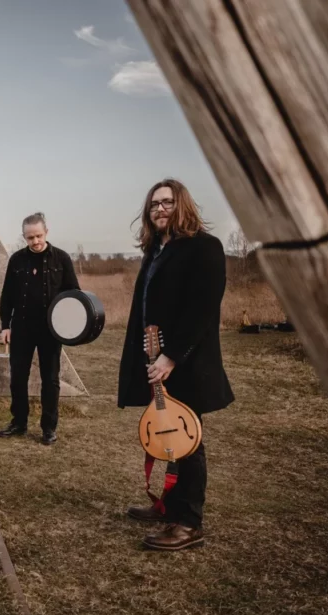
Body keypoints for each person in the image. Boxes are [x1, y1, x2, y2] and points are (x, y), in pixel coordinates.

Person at [117, 179, 234, 551]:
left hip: (187, 361)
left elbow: (202, 308)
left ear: (182, 204)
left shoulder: (204, 247)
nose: (160, 209)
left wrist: (172, 356)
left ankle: (188, 523)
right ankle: (170, 505)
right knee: (168, 436)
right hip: (157, 359)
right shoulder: (156, 250)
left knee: (188, 438)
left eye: (167, 202)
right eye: (154, 204)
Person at [0, 212, 81, 445]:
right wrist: (5, 326)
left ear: (46, 232)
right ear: (24, 237)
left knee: (50, 380)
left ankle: (49, 428)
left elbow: (73, 295)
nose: (35, 241)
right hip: (21, 328)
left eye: (38, 236)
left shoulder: (62, 259)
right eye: (30, 237)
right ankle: (19, 422)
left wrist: (71, 326)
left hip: (51, 330)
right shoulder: (16, 260)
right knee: (17, 378)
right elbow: (7, 296)